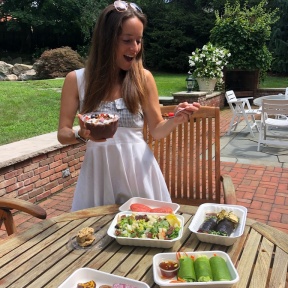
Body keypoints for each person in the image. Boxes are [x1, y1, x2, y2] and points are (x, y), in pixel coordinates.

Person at [57, 1, 200, 211]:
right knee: (93, 236)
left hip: (139, 172)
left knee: (148, 232)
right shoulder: (76, 80)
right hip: (99, 172)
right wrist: (82, 135)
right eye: (127, 40)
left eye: (139, 41)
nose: (135, 48)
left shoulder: (144, 78)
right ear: (107, 40)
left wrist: (175, 119)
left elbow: (157, 130)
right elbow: (63, 134)